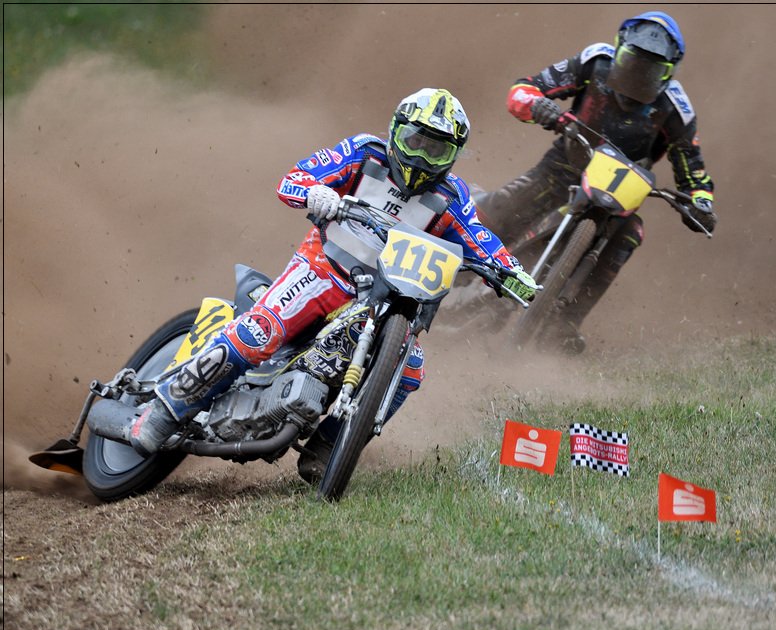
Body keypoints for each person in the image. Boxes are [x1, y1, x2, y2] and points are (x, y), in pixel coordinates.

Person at [127, 88, 538, 482]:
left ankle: (330, 446)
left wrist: (511, 272)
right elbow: (294, 178)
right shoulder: (364, 151)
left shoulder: (453, 195)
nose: (422, 156)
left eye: (437, 150)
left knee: (410, 370)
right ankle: (166, 408)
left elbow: (480, 239)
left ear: (454, 155)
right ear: (397, 130)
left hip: (384, 299)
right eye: (416, 141)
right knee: (259, 332)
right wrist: (316, 193)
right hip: (324, 268)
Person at [474, 10, 718, 354]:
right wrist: (540, 106)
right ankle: (446, 252)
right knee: (498, 210)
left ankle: (564, 323)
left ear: (668, 73)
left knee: (631, 233)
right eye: (632, 62)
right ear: (619, 50)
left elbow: (694, 172)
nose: (637, 76)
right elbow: (522, 89)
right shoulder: (594, 61)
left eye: (649, 71)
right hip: (563, 169)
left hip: (618, 199)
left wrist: (701, 203)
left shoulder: (676, 110)